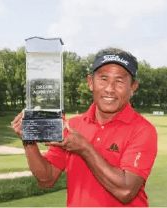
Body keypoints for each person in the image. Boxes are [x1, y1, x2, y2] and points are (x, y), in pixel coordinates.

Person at [11, 47, 158, 207]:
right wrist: (29, 141)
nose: (110, 88)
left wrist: (84, 148)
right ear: (90, 82)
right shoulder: (73, 125)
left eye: (119, 81)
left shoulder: (143, 130)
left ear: (132, 88)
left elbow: (126, 191)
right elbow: (46, 180)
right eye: (103, 79)